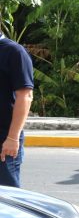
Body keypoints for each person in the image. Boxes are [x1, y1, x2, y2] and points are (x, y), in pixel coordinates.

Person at [0, 32, 34, 188]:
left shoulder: (14, 52)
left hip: (4, 139)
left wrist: (13, 138)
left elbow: (25, 96)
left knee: (7, 195)